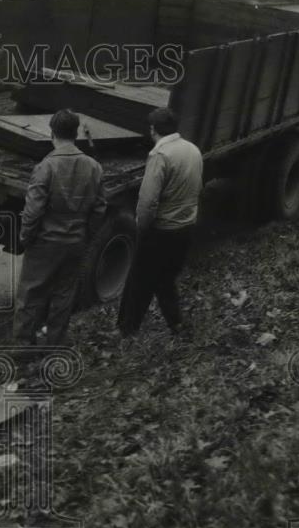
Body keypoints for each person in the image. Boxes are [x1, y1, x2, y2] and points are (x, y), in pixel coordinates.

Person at [14, 109, 108, 352]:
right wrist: (87, 235)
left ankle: (24, 348)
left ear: (52, 132)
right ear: (75, 133)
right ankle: (54, 344)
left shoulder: (47, 167)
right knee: (64, 296)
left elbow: (33, 210)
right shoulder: (94, 167)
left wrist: (26, 238)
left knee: (30, 295)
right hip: (75, 242)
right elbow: (99, 209)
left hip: (46, 242)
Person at [117, 107, 203, 338]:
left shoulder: (160, 155)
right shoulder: (193, 150)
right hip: (186, 227)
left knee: (140, 281)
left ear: (153, 129)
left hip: (162, 230)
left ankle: (128, 329)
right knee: (165, 278)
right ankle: (176, 324)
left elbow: (147, 201)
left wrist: (141, 229)